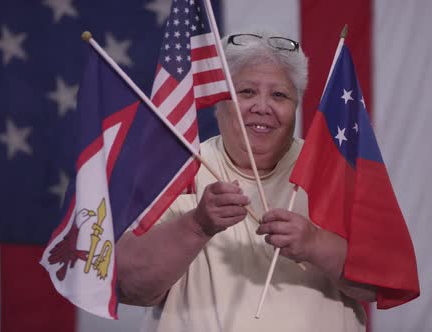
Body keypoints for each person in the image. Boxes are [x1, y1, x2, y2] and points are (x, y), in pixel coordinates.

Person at [116, 28, 376, 332]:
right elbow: (128, 287)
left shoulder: (333, 171)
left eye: (279, 95)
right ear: (218, 102)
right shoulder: (174, 169)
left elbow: (377, 284)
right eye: (247, 92)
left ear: (295, 108)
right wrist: (197, 225)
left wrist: (314, 243)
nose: (262, 107)